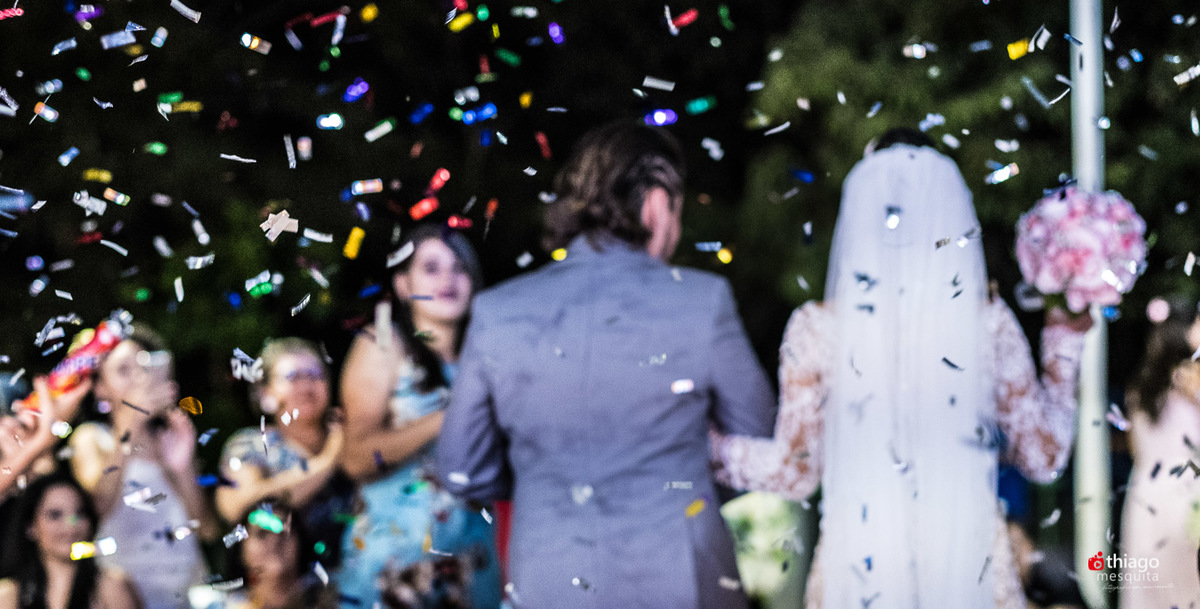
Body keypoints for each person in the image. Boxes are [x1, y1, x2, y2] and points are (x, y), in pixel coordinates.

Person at [710, 129, 1092, 608]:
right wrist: (1064, 344)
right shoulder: (985, 324)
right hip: (971, 571)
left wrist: (713, 447)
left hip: (857, 569)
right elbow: (1043, 457)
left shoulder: (818, 329)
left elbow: (795, 472)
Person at [436, 121, 776, 609]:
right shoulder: (702, 300)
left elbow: (461, 469)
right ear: (657, 204)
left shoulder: (498, 311)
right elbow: (755, 438)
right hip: (681, 580)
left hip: (549, 581)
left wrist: (545, 475)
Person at [336, 224, 500, 608]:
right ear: (403, 284)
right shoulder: (383, 343)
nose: (448, 279)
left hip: (471, 563)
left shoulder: (486, 358)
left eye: (460, 268)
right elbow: (356, 458)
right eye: (431, 267)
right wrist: (446, 417)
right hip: (395, 565)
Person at [67, 326, 217, 609]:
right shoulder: (91, 439)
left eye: (143, 367)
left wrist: (182, 468)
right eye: (124, 370)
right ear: (100, 387)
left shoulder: (169, 437)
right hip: (124, 599)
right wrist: (130, 424)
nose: (138, 378)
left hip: (188, 597)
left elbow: (206, 530)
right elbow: (97, 506)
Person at [215, 338, 353, 570]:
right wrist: (328, 462)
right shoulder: (250, 444)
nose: (307, 386)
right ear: (265, 394)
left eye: (316, 375)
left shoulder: (349, 435)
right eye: (293, 377)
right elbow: (238, 507)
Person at [1120, 295, 1200, 606]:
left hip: (1145, 494)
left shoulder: (1139, 388)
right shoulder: (1191, 382)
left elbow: (1136, 451)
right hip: (1188, 492)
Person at [0, 474, 142, 609]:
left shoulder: (111, 587)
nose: (71, 526)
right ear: (30, 526)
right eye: (55, 515)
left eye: (79, 513)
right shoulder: (9, 595)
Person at [217, 502, 336, 609]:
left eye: (284, 532)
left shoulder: (334, 596)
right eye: (262, 533)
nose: (275, 540)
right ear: (240, 551)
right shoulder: (224, 605)